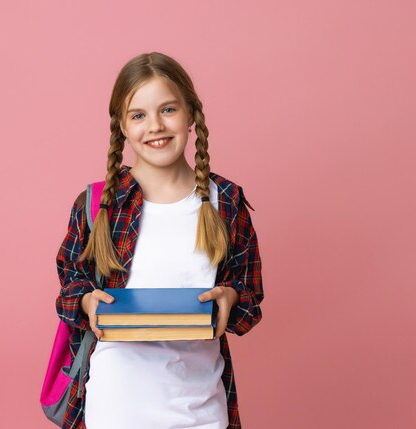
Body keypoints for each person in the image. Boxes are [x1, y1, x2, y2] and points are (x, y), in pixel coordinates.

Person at [55, 52, 264, 429]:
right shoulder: (98, 204)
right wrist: (87, 301)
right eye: (138, 115)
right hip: (116, 408)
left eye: (168, 109)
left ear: (191, 114)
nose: (155, 126)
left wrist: (230, 297)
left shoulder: (226, 202)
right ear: (121, 125)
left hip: (201, 409)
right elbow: (70, 285)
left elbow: (249, 296)